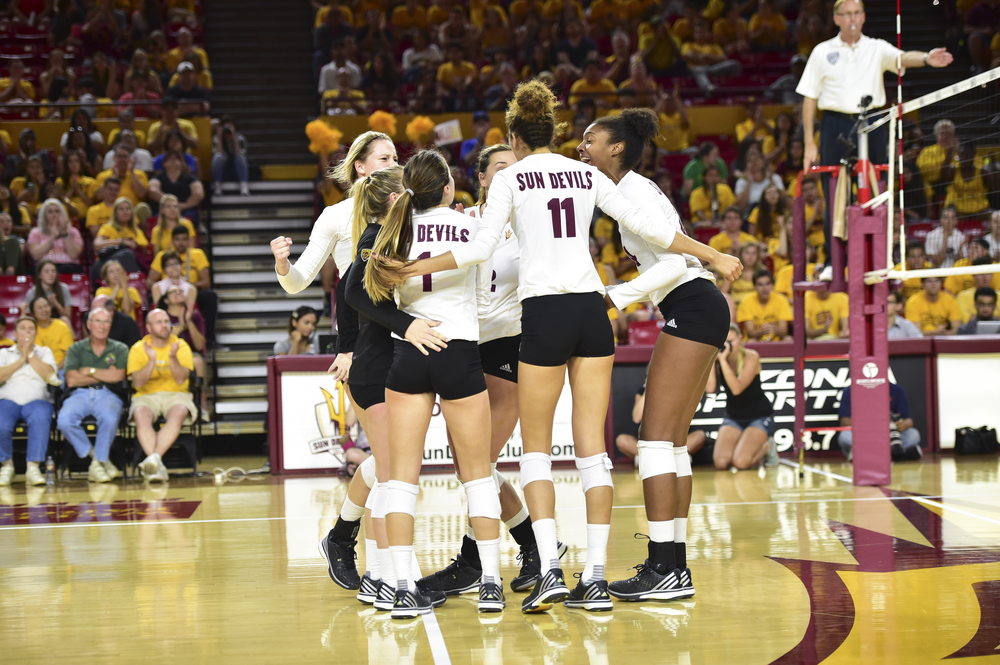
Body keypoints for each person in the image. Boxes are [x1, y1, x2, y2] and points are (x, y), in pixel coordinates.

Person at [386, 81, 739, 614]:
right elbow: (648, 228)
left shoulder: (512, 177)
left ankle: (549, 569)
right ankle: (595, 579)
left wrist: (416, 266)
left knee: (536, 452)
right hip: (593, 309)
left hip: (546, 313)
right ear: (556, 131)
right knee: (593, 453)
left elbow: (480, 247)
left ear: (513, 136)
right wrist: (712, 255)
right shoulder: (588, 173)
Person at [578, 108, 739, 602]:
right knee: (667, 445)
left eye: (590, 140)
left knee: (653, 442)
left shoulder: (632, 191)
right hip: (697, 305)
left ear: (616, 149)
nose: (581, 148)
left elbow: (672, 263)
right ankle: (673, 567)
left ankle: (663, 566)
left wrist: (614, 296)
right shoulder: (630, 190)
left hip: (690, 302)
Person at [356, 149, 502, 617]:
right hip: (459, 350)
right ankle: (493, 584)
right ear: (447, 188)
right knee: (478, 475)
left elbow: (356, 290)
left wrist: (403, 322)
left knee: (399, 479)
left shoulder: (394, 228)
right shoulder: (473, 225)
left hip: (410, 351)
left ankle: (401, 587)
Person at [420, 144, 552, 597]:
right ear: (479, 178)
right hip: (462, 345)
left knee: (480, 464)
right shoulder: (462, 223)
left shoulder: (534, 228)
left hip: (509, 346)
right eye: (499, 169)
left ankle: (474, 562)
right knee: (469, 465)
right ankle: (532, 546)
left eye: (516, 169)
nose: (510, 175)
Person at [327, 166, 449, 606]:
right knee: (393, 475)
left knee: (388, 470)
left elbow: (347, 295)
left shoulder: (400, 237)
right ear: (398, 200)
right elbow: (353, 295)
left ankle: (380, 577)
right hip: (373, 371)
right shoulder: (373, 237)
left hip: (386, 368)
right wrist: (408, 324)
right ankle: (386, 579)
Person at [798, 0, 952, 281]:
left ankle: (881, 260)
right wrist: (809, 142)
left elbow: (904, 57)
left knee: (880, 188)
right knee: (835, 192)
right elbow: (809, 99)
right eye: (847, 14)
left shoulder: (876, 47)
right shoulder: (822, 52)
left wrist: (928, 57)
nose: (853, 18)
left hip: (872, 122)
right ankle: (834, 261)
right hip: (834, 123)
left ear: (864, 16)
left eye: (857, 13)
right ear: (836, 19)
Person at [270, 130, 397, 330]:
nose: (394, 165)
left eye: (395, 159)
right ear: (360, 166)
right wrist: (282, 263)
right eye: (384, 158)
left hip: (406, 329)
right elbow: (297, 283)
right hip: (358, 332)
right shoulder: (335, 215)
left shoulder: (411, 210)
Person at [56, 307, 129, 483]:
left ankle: (97, 464)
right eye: (97, 321)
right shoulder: (75, 349)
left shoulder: (119, 348)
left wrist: (89, 370)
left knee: (109, 420)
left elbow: (118, 376)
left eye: (106, 322)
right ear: (89, 324)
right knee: (64, 421)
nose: (102, 326)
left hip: (108, 394)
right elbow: (72, 380)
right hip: (78, 394)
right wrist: (104, 374)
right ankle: (98, 461)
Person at [127, 309, 197, 483]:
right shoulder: (138, 349)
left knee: (179, 412)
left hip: (176, 393)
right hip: (146, 394)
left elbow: (181, 380)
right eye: (159, 322)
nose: (165, 325)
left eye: (167, 321)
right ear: (148, 327)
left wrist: (173, 358)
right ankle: (157, 466)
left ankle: (154, 460)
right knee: (141, 415)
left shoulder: (180, 346)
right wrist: (151, 361)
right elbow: (139, 383)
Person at [708, 324, 777, 470]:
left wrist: (723, 362)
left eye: (731, 341)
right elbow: (710, 389)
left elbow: (737, 389)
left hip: (759, 416)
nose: (727, 346)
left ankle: (766, 447)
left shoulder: (751, 356)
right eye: (723, 342)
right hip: (733, 417)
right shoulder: (717, 359)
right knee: (721, 463)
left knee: (740, 463)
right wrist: (711, 360)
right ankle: (743, 441)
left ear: (740, 338)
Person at [0, 316, 59, 487]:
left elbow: (50, 376)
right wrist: (21, 359)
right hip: (8, 400)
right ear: (15, 332)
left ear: (35, 333)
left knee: (41, 417)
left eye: (31, 328)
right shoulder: (4, 353)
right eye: (23, 328)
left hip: (37, 400)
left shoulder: (44, 352)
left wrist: (30, 354)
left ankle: (33, 468)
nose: (27, 331)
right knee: (1, 422)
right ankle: (7, 466)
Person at [147, 226, 216, 346]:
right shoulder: (157, 287)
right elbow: (160, 311)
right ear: (163, 269)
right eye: (170, 265)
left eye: (176, 264)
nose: (174, 267)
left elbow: (189, 311)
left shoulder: (190, 288)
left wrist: (182, 323)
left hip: (185, 321)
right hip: (166, 322)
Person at [837, 382, 922, 461]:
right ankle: (896, 454)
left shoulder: (896, 390)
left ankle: (866, 456)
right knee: (845, 436)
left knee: (913, 434)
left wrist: (902, 425)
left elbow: (908, 420)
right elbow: (845, 422)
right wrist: (871, 424)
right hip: (864, 437)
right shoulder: (850, 390)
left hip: (890, 436)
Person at [93, 196, 148, 278]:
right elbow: (97, 244)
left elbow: (142, 250)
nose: (125, 212)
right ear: (115, 213)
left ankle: (136, 280)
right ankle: (136, 279)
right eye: (121, 209)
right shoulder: (107, 228)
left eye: (127, 209)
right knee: (127, 254)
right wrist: (121, 242)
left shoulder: (137, 231)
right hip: (105, 266)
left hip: (128, 264)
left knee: (129, 255)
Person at [26, 199, 83, 274]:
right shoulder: (35, 232)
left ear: (62, 214)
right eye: (50, 211)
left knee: (68, 268)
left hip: (67, 266)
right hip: (44, 266)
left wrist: (65, 234)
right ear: (44, 215)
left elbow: (74, 255)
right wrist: (52, 237)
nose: (54, 214)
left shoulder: (73, 232)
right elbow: (35, 256)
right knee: (37, 270)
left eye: (57, 211)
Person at [148, 150, 204, 225]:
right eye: (170, 158)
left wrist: (184, 206)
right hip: (164, 209)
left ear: (181, 163)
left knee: (191, 216)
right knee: (158, 216)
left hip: (186, 208)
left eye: (177, 158)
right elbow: (152, 191)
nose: (173, 159)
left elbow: (199, 194)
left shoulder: (190, 177)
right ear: (164, 164)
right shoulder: (158, 177)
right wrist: (170, 204)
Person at [737, 269, 793, 341]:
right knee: (752, 341)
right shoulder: (746, 301)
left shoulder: (781, 300)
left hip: (776, 341)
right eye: (760, 285)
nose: (764, 288)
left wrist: (775, 330)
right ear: (754, 287)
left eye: (768, 284)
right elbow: (750, 333)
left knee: (788, 339)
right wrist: (761, 332)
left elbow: (784, 331)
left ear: (772, 285)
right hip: (757, 342)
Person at [21, 260, 73, 328]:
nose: (51, 274)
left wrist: (56, 304)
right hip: (39, 323)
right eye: (46, 271)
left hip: (58, 323)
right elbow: (29, 317)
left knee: (65, 319)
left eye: (53, 271)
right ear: (40, 275)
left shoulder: (64, 289)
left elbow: (68, 316)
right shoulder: (32, 292)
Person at [29, 297, 74, 372]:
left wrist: (55, 369)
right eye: (39, 308)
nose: (44, 310)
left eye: (46, 306)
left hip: (60, 368)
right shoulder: (30, 330)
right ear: (33, 313)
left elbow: (69, 354)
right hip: (37, 369)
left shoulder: (62, 326)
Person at [211, 115, 250, 197]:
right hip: (223, 171)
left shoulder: (240, 138)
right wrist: (220, 137)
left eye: (231, 126)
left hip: (236, 171)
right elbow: (218, 153)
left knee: (240, 157)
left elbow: (240, 154)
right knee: (218, 157)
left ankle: (244, 186)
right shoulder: (216, 139)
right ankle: (217, 187)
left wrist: (234, 137)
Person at [924, 205, 967, 269]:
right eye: (946, 218)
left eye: (952, 218)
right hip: (937, 272)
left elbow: (961, 264)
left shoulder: (961, 237)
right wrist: (944, 244)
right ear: (941, 220)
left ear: (956, 221)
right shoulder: (931, 236)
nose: (949, 221)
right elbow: (936, 263)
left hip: (955, 272)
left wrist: (960, 249)